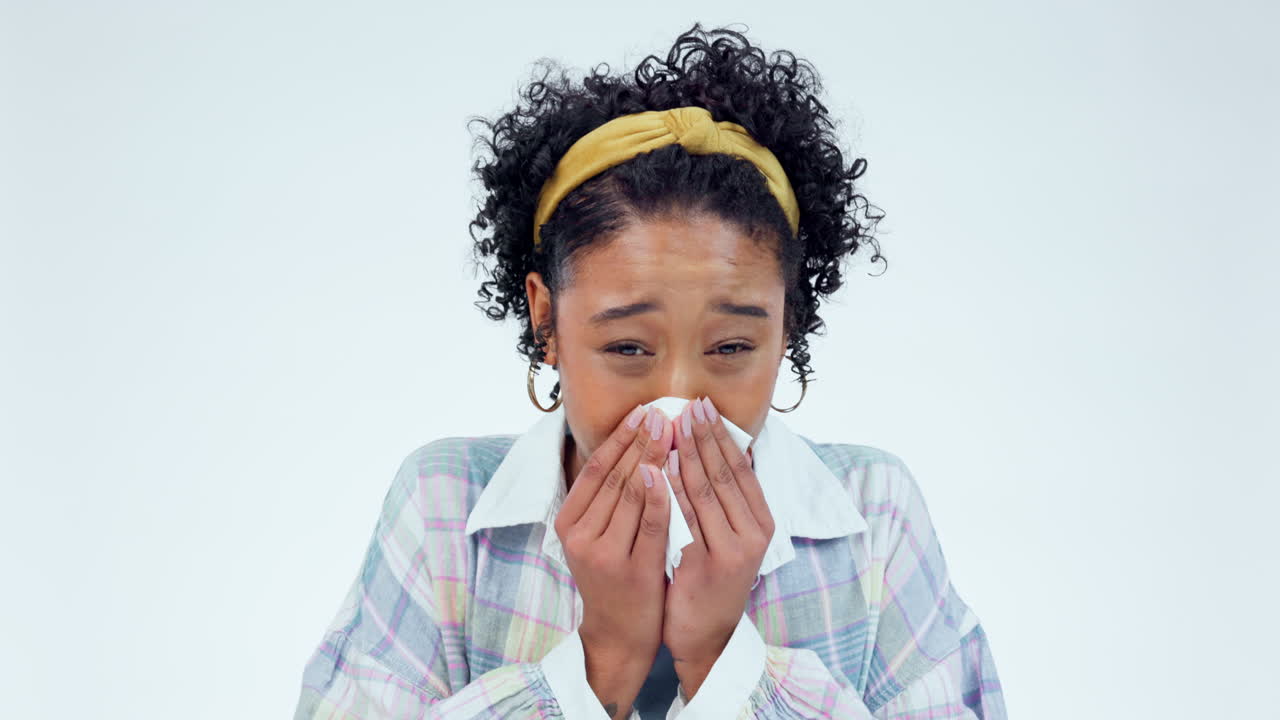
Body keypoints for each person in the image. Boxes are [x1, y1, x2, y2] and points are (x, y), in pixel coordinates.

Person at [293, 22, 1006, 720]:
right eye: (630, 349)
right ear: (547, 320)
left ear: (786, 325)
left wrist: (725, 659)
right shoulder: (445, 509)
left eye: (730, 348)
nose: (677, 402)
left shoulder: (872, 519)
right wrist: (602, 658)